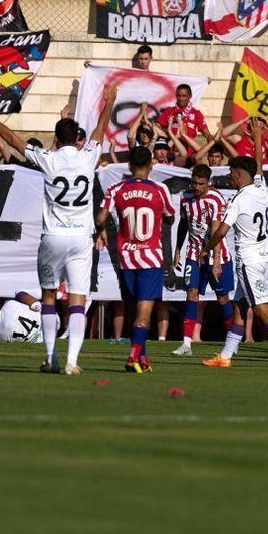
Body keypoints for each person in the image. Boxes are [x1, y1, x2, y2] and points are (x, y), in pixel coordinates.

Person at [0, 83, 117, 375]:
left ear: (56, 138)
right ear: (77, 139)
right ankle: (72, 361)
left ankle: (51, 358)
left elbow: (12, 139)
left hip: (53, 238)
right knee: (78, 301)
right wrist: (110, 101)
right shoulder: (88, 156)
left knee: (48, 297)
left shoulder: (48, 159)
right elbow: (100, 129)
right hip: (81, 238)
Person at [201, 119, 268, 369]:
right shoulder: (259, 189)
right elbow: (258, 164)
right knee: (239, 307)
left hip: (248, 261)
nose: (229, 177)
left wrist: (206, 248)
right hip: (262, 258)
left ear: (237, 175)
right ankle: (225, 356)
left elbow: (221, 231)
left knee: (260, 306)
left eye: (230, 173)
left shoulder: (238, 200)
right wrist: (258, 138)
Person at [97, 146, 176, 373]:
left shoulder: (116, 189)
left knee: (134, 310)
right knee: (144, 313)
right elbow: (170, 217)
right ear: (151, 165)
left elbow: (100, 218)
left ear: (129, 165)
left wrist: (101, 230)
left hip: (127, 259)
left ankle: (142, 358)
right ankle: (133, 356)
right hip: (150, 259)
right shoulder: (159, 189)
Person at [172, 164, 233, 357]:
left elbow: (216, 231)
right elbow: (183, 224)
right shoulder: (185, 197)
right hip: (193, 254)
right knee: (191, 295)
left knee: (222, 298)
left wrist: (216, 261)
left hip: (216, 254)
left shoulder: (216, 199)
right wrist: (178, 250)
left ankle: (232, 343)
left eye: (201, 184)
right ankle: (186, 344)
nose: (197, 187)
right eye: (194, 183)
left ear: (208, 182)